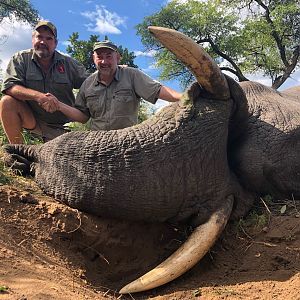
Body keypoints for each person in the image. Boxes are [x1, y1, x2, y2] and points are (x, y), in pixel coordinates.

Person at [49, 40, 182, 131]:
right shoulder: (87, 84)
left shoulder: (132, 75)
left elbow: (158, 91)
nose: (104, 61)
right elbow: (83, 117)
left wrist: (187, 97)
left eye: (109, 56)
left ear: (118, 58)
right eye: (99, 56)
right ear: (93, 58)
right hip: (97, 144)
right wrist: (59, 105)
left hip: (127, 141)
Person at [0, 20, 89, 144]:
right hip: (33, 123)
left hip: (64, 126)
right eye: (39, 37)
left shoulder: (70, 64)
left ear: (55, 43)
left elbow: (90, 84)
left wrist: (116, 71)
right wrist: (39, 97)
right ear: (32, 39)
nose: (43, 42)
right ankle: (18, 153)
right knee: (7, 101)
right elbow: (10, 87)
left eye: (48, 38)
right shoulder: (20, 59)